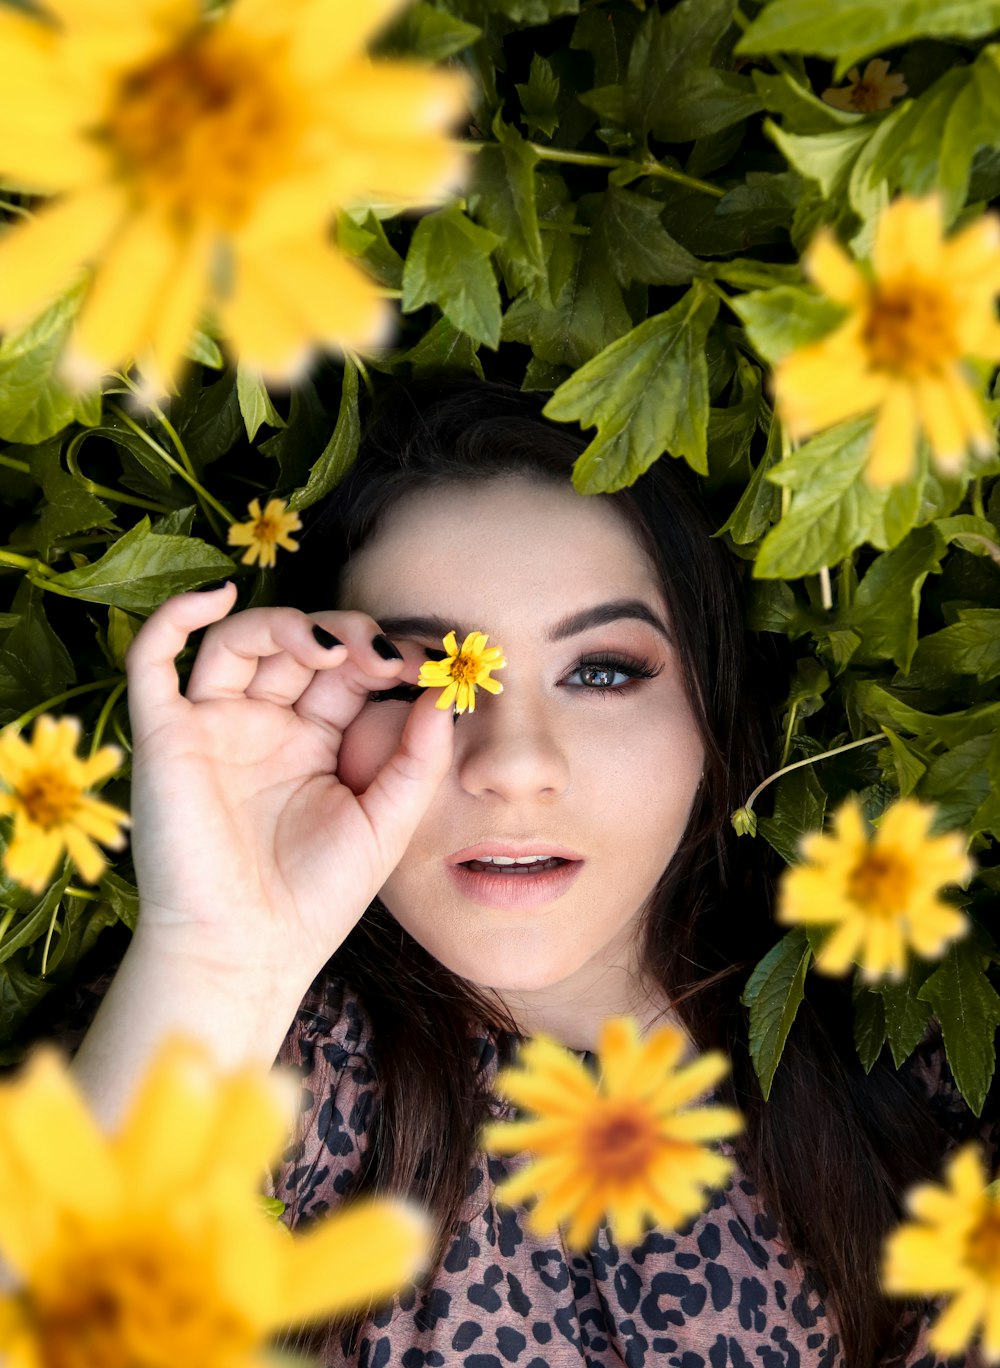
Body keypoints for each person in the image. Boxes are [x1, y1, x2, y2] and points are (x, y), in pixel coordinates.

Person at [67, 379, 983, 1368]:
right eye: (430, 674)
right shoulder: (242, 1063)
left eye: (600, 672)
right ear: (324, 715)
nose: (512, 764)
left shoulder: (906, 1071)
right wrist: (218, 955)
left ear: (711, 720)